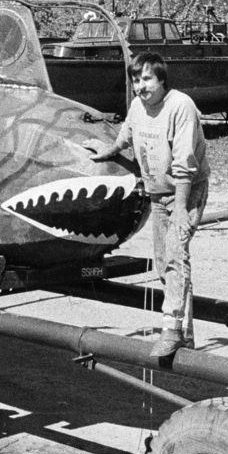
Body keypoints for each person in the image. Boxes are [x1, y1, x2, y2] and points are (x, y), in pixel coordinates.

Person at [85, 52, 210, 359]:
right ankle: (186, 333)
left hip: (186, 191)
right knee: (164, 261)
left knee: (175, 257)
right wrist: (110, 150)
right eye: (135, 80)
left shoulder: (180, 106)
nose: (140, 86)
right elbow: (127, 133)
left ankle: (172, 329)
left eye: (146, 79)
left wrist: (181, 208)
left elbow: (185, 162)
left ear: (162, 80)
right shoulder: (138, 106)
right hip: (158, 192)